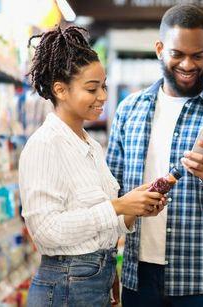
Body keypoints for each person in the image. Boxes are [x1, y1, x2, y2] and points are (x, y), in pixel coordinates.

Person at [106, 4, 203, 307]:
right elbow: (109, 195)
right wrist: (108, 265)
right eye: (177, 54)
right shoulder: (129, 111)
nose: (188, 64)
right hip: (139, 275)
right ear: (159, 49)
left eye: (197, 55)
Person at [19, 26, 166, 307]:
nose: (103, 96)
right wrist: (118, 206)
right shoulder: (45, 145)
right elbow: (46, 230)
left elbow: (97, 225)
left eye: (103, 86)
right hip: (65, 285)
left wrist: (135, 209)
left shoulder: (90, 145)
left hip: (93, 278)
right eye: (92, 88)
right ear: (60, 90)